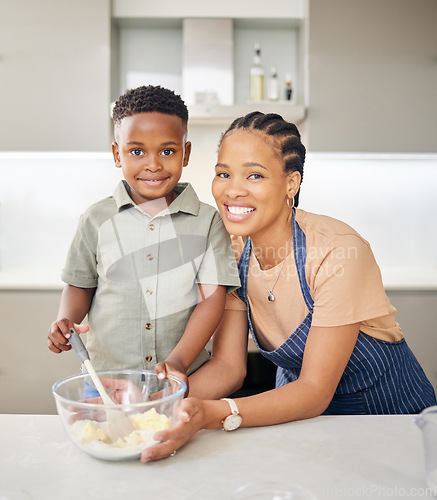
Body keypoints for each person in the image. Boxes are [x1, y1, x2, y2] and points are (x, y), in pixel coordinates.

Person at [142, 111, 437, 463]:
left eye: (254, 175)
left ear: (291, 184)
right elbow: (228, 367)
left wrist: (214, 413)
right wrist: (152, 406)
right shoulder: (234, 251)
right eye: (223, 174)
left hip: (390, 421)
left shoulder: (336, 250)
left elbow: (314, 390)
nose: (233, 189)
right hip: (294, 413)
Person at [47, 85, 240, 389]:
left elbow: (211, 301)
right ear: (116, 154)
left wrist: (179, 359)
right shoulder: (96, 219)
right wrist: (66, 320)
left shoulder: (207, 221)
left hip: (180, 383)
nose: (153, 164)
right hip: (106, 382)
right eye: (137, 151)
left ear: (185, 153)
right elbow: (79, 285)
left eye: (167, 151)